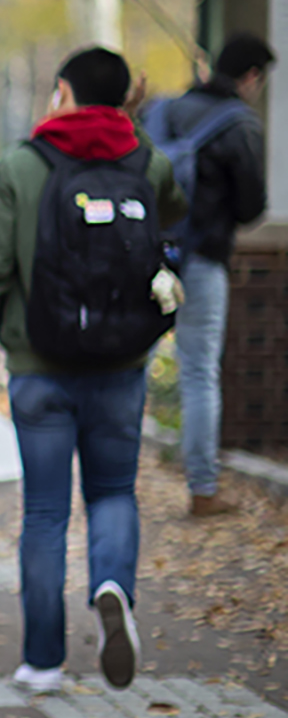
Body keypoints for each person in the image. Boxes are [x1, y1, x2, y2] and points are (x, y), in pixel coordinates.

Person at [0, 47, 186, 693]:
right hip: (123, 363)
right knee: (113, 492)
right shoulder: (145, 162)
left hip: (39, 365)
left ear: (63, 93)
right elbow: (174, 214)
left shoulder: (22, 164)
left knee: (44, 511)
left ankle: (42, 660)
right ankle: (111, 587)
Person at [148, 33, 274, 518]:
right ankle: (202, 490)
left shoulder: (164, 111)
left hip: (148, 256)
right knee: (199, 371)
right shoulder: (240, 124)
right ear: (251, 77)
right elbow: (251, 206)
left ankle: (117, 483)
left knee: (135, 362)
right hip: (202, 259)